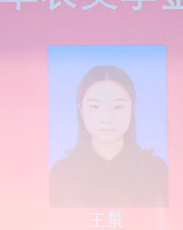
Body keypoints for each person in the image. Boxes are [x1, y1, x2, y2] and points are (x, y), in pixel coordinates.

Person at [49, 65, 170, 208]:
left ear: (132, 109)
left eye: (118, 107)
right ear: (81, 110)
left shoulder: (155, 170)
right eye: (95, 107)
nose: (106, 119)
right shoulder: (62, 172)